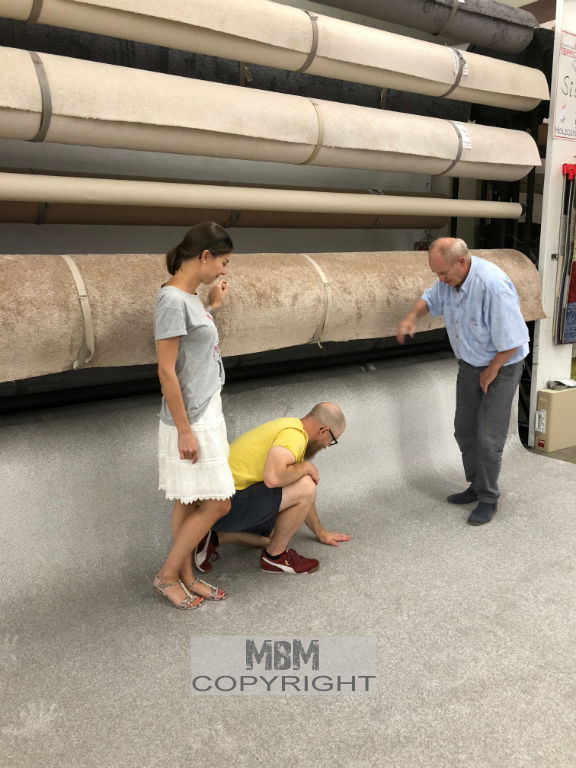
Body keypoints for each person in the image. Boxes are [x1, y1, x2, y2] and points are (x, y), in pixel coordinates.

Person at [396, 237, 529, 526]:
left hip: (502, 365)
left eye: (443, 273)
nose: (440, 280)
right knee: (465, 429)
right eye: (436, 274)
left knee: (488, 437)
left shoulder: (492, 285)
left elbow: (514, 340)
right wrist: (411, 317)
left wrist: (492, 371)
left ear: (461, 261)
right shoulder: (448, 280)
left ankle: (489, 498)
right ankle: (476, 485)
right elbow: (429, 298)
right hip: (470, 363)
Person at [152, 221, 236, 610]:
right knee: (219, 503)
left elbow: (196, 345)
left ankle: (186, 576)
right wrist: (185, 431)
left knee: (188, 499)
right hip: (191, 419)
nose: (224, 270)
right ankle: (167, 575)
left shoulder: (190, 298)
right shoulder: (172, 300)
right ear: (204, 256)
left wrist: (212, 307)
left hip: (205, 410)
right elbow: (166, 370)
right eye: (223, 262)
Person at [193, 403, 350, 574]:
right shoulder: (294, 437)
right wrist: (306, 467)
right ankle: (274, 557)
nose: (327, 446)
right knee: (306, 485)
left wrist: (320, 532)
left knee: (280, 532)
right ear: (324, 431)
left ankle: (213, 537)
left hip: (213, 503)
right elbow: (274, 478)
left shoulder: (289, 426)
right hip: (219, 507)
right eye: (332, 440)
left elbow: (300, 494)